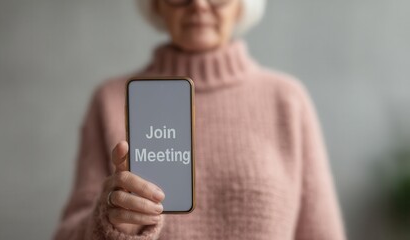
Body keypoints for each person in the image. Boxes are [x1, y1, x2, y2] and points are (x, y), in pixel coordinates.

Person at [53, 0, 347, 239]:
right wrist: (109, 224)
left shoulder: (287, 99)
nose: (199, 5)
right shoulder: (112, 99)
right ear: (156, 5)